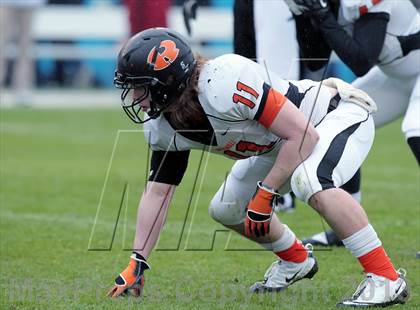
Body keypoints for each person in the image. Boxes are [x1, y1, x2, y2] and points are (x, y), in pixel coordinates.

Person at [106, 28, 409, 307]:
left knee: (310, 181)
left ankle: (386, 278)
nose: (134, 97)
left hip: (332, 115)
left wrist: (266, 192)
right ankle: (296, 260)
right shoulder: (163, 126)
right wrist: (138, 260)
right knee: (225, 208)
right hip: (282, 144)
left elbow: (304, 135)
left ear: (168, 81)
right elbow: (158, 193)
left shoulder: (222, 83)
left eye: (140, 87)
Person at [283, 0, 420, 247]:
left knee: (416, 129)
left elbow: (361, 60)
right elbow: (315, 61)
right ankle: (346, 226)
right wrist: (307, 16)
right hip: (396, 75)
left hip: (410, 68)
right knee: (338, 115)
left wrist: (322, 15)